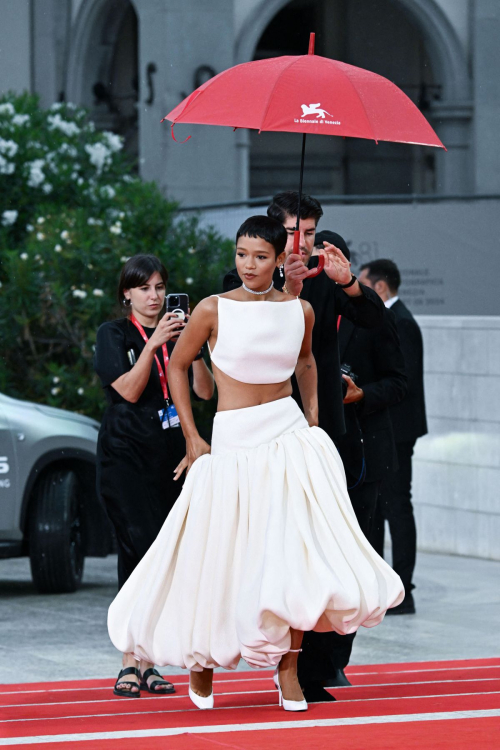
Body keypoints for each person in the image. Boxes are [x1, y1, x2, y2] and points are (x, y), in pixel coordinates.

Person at [107, 216, 404, 713]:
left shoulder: (300, 310)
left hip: (286, 437)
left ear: (278, 257)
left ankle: (287, 670)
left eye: (260, 256)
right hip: (232, 442)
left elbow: (307, 363)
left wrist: (312, 422)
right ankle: (202, 662)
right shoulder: (211, 309)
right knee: (220, 557)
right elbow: (178, 366)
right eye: (242, 254)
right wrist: (193, 436)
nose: (249, 264)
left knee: (290, 556)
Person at [94, 254, 214, 698]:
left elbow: (203, 391)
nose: (154, 296)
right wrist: (152, 345)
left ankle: (147, 661)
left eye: (160, 288)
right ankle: (131, 658)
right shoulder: (115, 334)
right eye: (144, 288)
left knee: (161, 557)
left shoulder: (179, 336)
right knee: (139, 547)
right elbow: (126, 389)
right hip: (124, 458)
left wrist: (194, 346)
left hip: (170, 459)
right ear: (127, 292)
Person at [298, 236, 408, 690]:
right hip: (307, 449)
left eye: (329, 264)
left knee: (352, 558)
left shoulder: (369, 316)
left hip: (360, 452)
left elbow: (399, 382)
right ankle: (302, 662)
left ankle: (333, 660)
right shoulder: (296, 307)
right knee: (310, 557)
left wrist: (361, 394)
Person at [223, 192, 386, 440]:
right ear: (272, 231)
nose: (301, 242)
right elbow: (251, 338)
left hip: (321, 419)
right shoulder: (243, 277)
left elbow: (374, 320)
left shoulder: (324, 275)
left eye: (309, 233)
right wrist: (288, 289)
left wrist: (349, 282)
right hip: (264, 418)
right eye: (291, 232)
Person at [359, 259, 427, 615]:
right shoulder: (391, 318)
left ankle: (404, 588)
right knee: (383, 508)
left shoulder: (400, 321)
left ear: (380, 288)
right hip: (389, 431)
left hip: (399, 432)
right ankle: (387, 587)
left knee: (397, 507)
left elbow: (404, 381)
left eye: (364, 283)